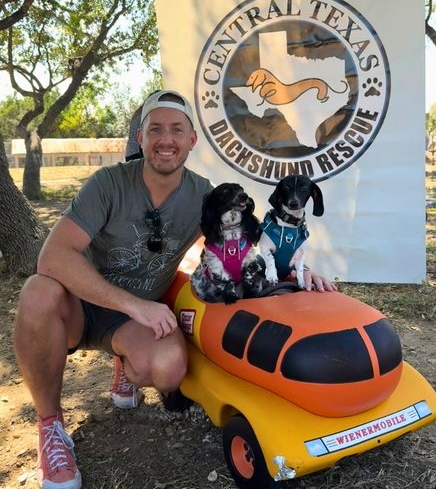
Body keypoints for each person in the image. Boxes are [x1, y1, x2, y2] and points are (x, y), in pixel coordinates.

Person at [14, 89, 336, 489]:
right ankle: (50, 426)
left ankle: (124, 363)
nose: (166, 139)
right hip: (82, 307)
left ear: (191, 141)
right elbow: (53, 257)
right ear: (142, 138)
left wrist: (296, 273)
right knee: (37, 292)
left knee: (168, 370)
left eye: (176, 130)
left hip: (134, 319)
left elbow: (244, 248)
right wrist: (134, 306)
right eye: (156, 129)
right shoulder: (107, 183)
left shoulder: (204, 194)